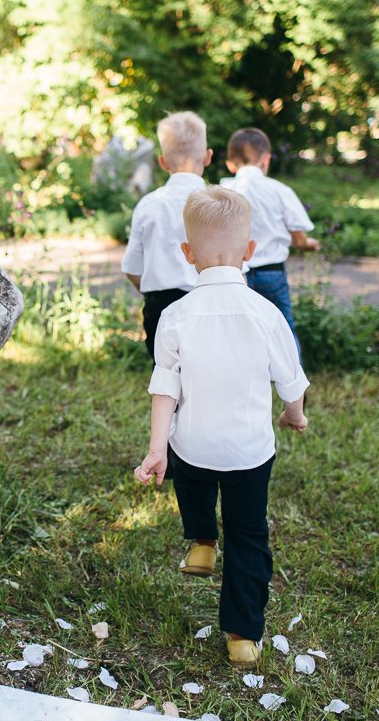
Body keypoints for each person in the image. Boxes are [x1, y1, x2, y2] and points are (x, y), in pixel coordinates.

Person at [133, 185, 309, 666]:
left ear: (188, 255)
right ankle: (242, 635)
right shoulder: (267, 314)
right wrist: (294, 415)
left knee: (191, 482)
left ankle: (202, 540)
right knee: (249, 534)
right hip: (250, 451)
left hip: (191, 445)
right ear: (250, 252)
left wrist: (156, 449)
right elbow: (291, 383)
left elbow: (164, 389)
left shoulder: (174, 316)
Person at [120, 112, 211, 361]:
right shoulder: (218, 204)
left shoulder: (148, 204)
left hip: (160, 308)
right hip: (208, 306)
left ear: (162, 162)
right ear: (208, 156)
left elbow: (131, 267)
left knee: (165, 382)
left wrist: (153, 294)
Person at [220, 128, 318, 352]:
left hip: (234, 275)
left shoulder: (223, 191)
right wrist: (309, 244)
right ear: (266, 159)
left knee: (238, 335)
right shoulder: (279, 190)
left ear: (230, 165)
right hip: (271, 274)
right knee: (282, 331)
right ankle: (295, 386)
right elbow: (299, 239)